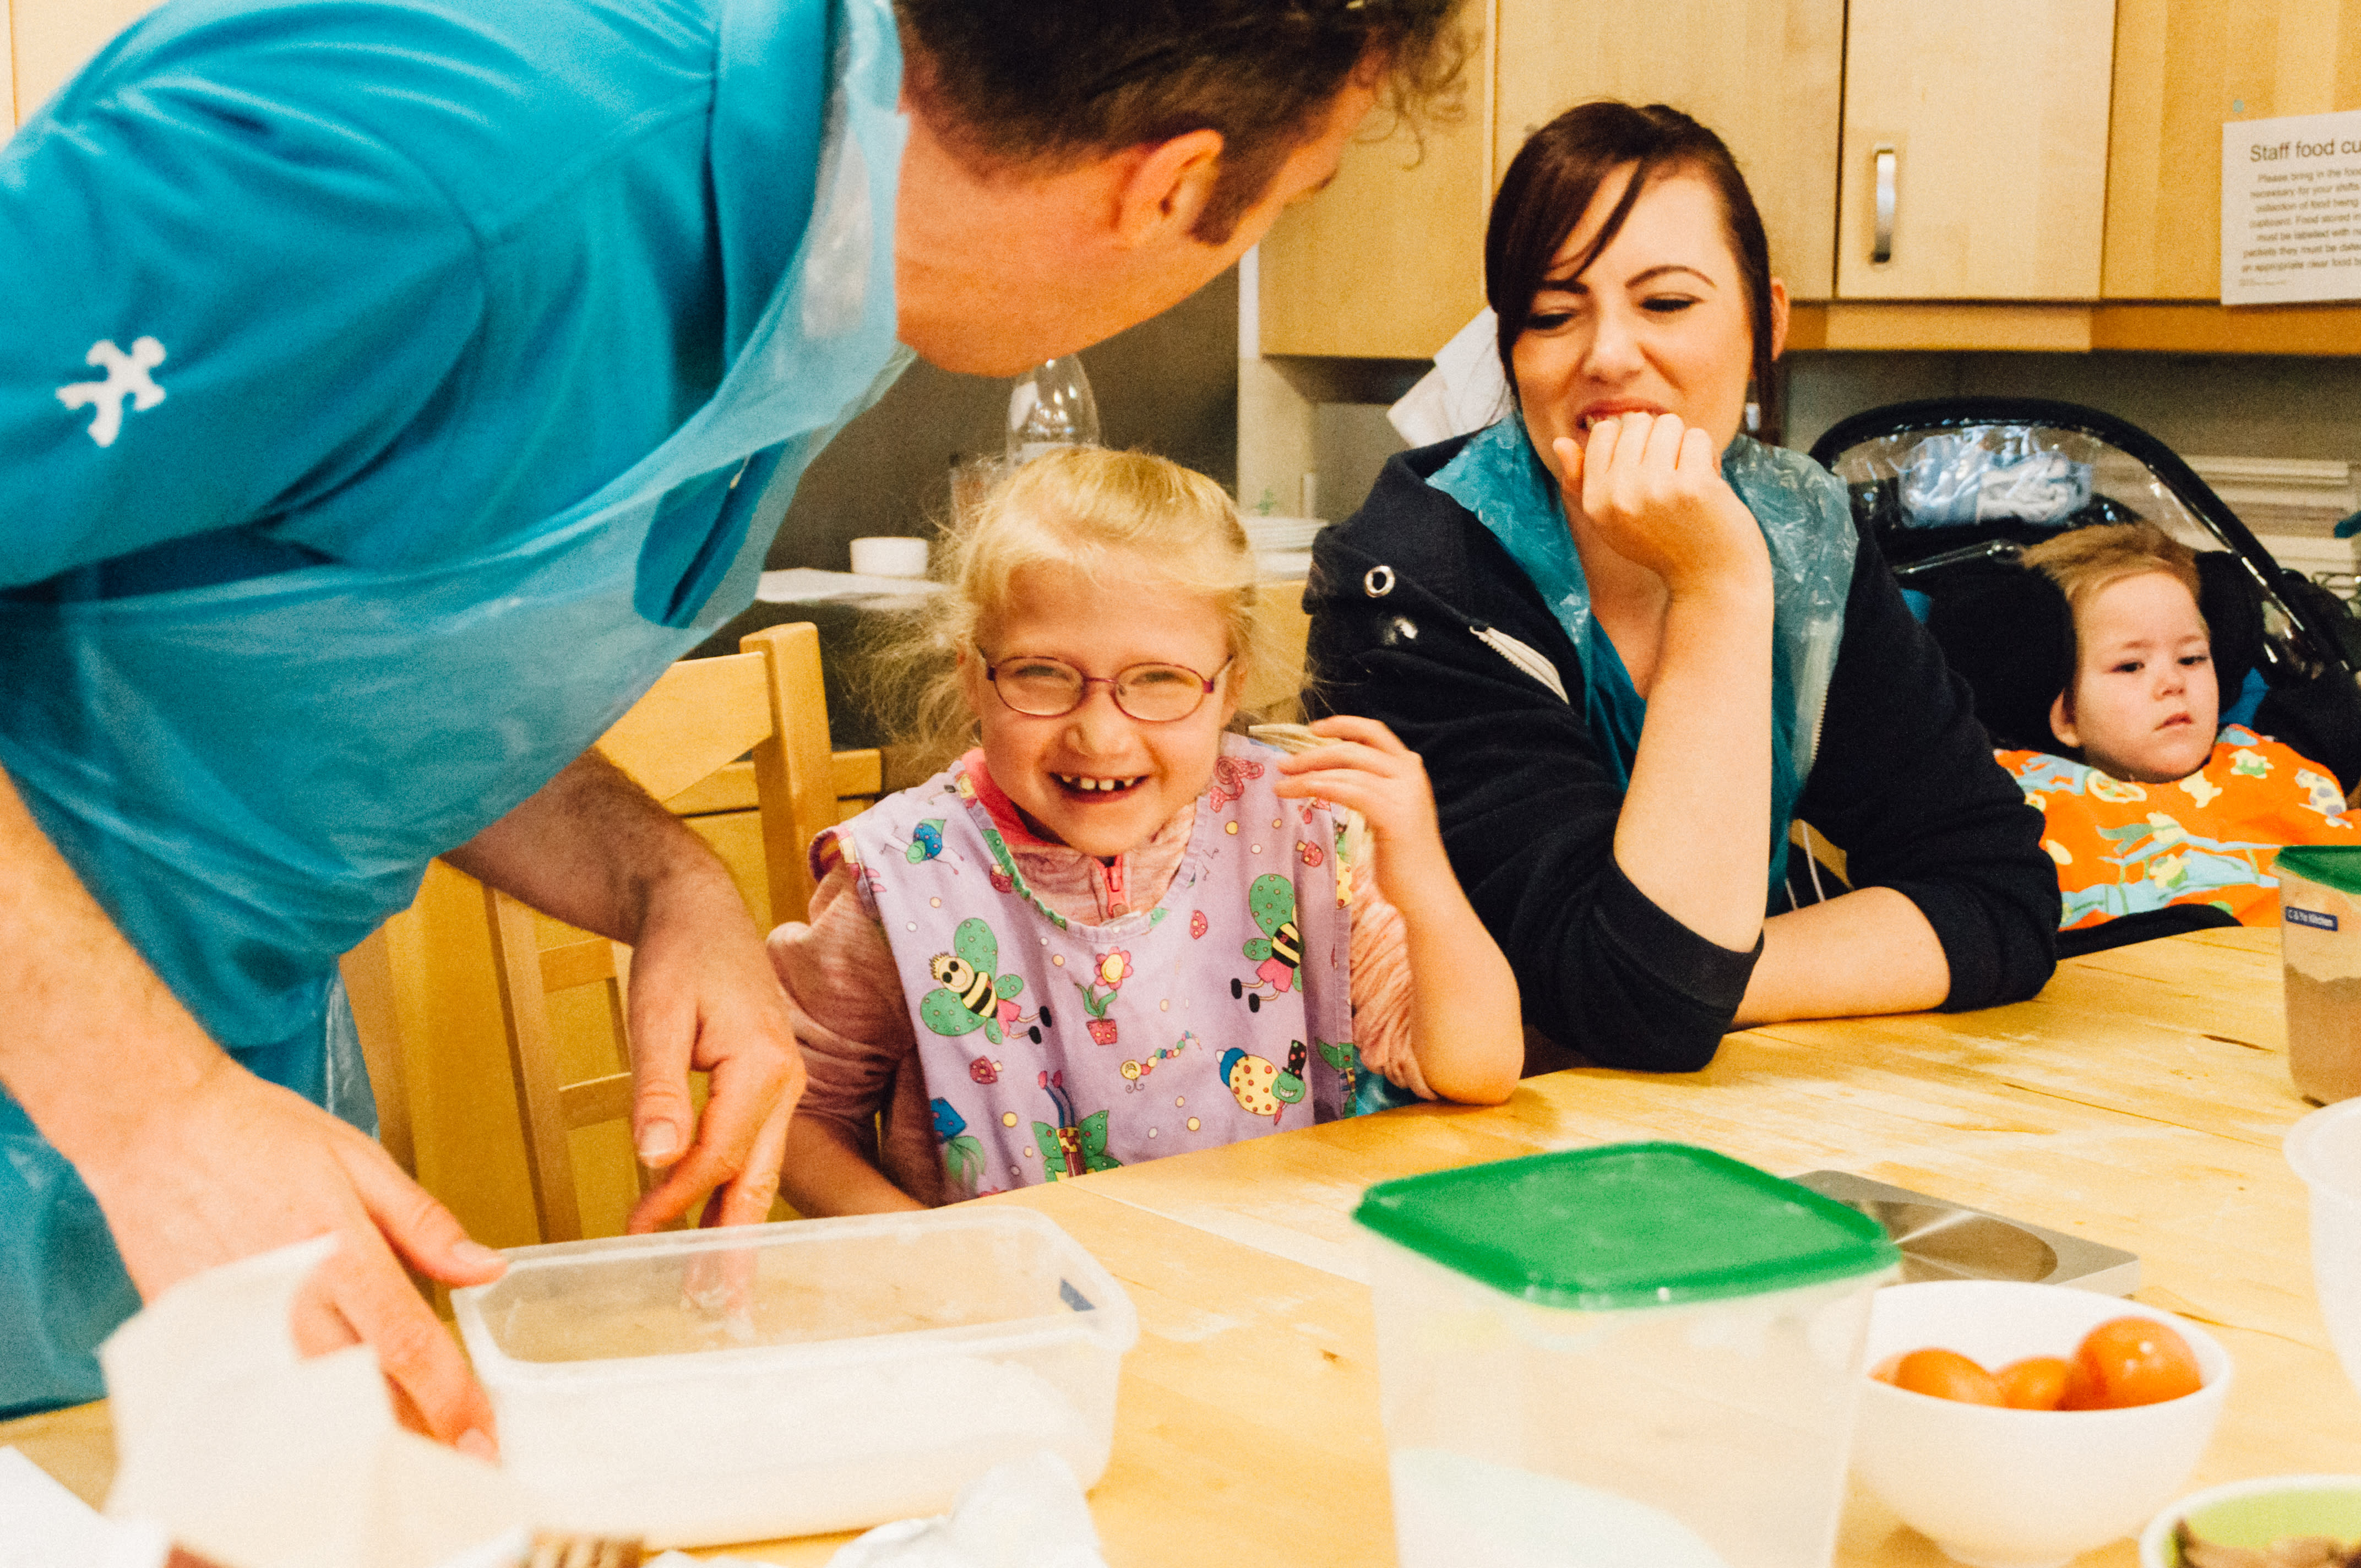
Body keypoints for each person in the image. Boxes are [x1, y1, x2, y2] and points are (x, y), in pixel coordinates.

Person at [0, 0, 1469, 1436]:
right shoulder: (433, 168)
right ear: (1172, 184)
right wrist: (154, 1108)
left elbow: (323, 655)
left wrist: (666, 884)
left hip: (180, 1132)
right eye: (1295, 199)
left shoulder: (829, 268)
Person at [1304, 101, 2060, 1076]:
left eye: (1665, 303)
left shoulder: (1805, 528)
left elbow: (1995, 892)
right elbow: (1635, 1008)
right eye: (1549, 314)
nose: (1608, 353)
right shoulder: (1412, 579)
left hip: (1715, 1112)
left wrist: (1698, 981)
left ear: (1766, 320)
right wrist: (1715, 584)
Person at [766, 448, 1522, 1213]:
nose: (1100, 736)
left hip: (1263, 1291)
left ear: (1230, 687)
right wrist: (938, 1253)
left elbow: (1479, 1068)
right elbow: (798, 1118)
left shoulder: (1301, 829)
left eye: (1158, 680)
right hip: (1021, 1314)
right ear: (973, 675)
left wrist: (1421, 874)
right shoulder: (900, 876)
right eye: (1041, 674)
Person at [1992, 524, 2354, 930]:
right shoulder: (2026, 803)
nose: (2173, 683)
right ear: (2068, 716)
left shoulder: (2271, 771)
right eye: (2130, 666)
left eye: (2192, 659)